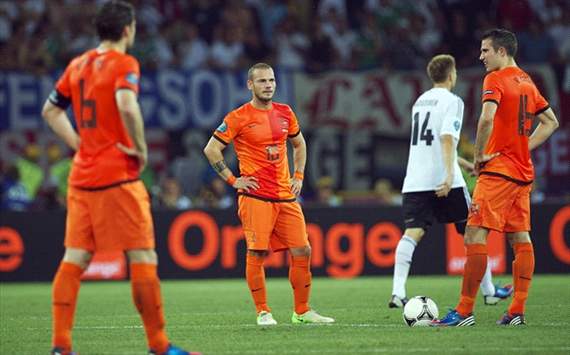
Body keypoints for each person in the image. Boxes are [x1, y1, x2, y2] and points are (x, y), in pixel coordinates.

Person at [41, 2, 200, 354]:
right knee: (142, 256)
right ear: (128, 29)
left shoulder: (77, 65)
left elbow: (50, 111)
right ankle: (159, 346)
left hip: (83, 178)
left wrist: (79, 145)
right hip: (118, 176)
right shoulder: (125, 64)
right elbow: (127, 105)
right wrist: (140, 149)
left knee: (74, 259)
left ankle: (61, 346)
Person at [433, 29, 558, 327]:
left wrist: (478, 156)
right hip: (522, 173)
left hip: (498, 172)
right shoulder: (527, 81)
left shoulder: (495, 79)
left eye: (485, 50)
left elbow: (487, 118)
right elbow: (551, 122)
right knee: (520, 239)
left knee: (474, 234)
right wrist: (521, 147)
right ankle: (516, 311)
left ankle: (463, 311)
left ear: (502, 51)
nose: (481, 56)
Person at [203, 63, 334, 326]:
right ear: (250, 85)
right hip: (256, 197)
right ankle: (263, 311)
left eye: (272, 80)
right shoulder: (238, 117)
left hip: (285, 196)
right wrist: (233, 180)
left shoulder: (286, 113)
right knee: (257, 253)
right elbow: (211, 149)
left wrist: (298, 176)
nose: (268, 85)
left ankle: (302, 311)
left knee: (303, 249)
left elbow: (299, 143)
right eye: (262, 81)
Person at [389, 54, 513, 309]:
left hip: (415, 180)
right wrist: (448, 174)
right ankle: (489, 291)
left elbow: (432, 144)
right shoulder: (453, 101)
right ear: (451, 74)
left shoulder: (420, 101)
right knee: (473, 232)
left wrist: (463, 163)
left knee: (412, 233)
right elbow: (446, 138)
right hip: (446, 181)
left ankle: (397, 292)